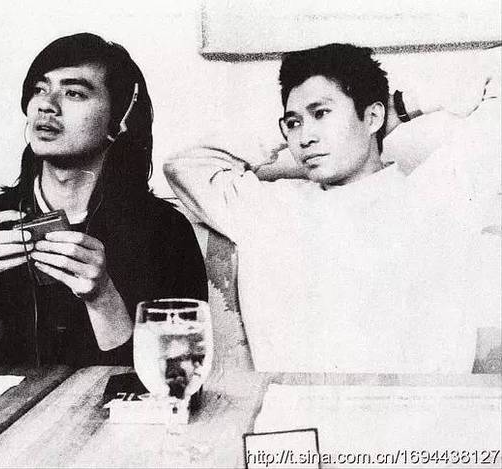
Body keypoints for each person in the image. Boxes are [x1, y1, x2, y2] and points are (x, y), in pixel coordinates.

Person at [165, 44, 501, 373]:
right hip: (294, 407)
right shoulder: (270, 207)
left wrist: (400, 106)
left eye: (321, 113)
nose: (304, 138)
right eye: (293, 123)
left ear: (373, 116)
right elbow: (185, 165)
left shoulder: (439, 193)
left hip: (415, 407)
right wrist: (297, 125)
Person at [0, 33, 207, 366]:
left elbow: (178, 378)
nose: (46, 105)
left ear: (120, 120)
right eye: (39, 89)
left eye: (73, 92)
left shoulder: (166, 232)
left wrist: (103, 297)